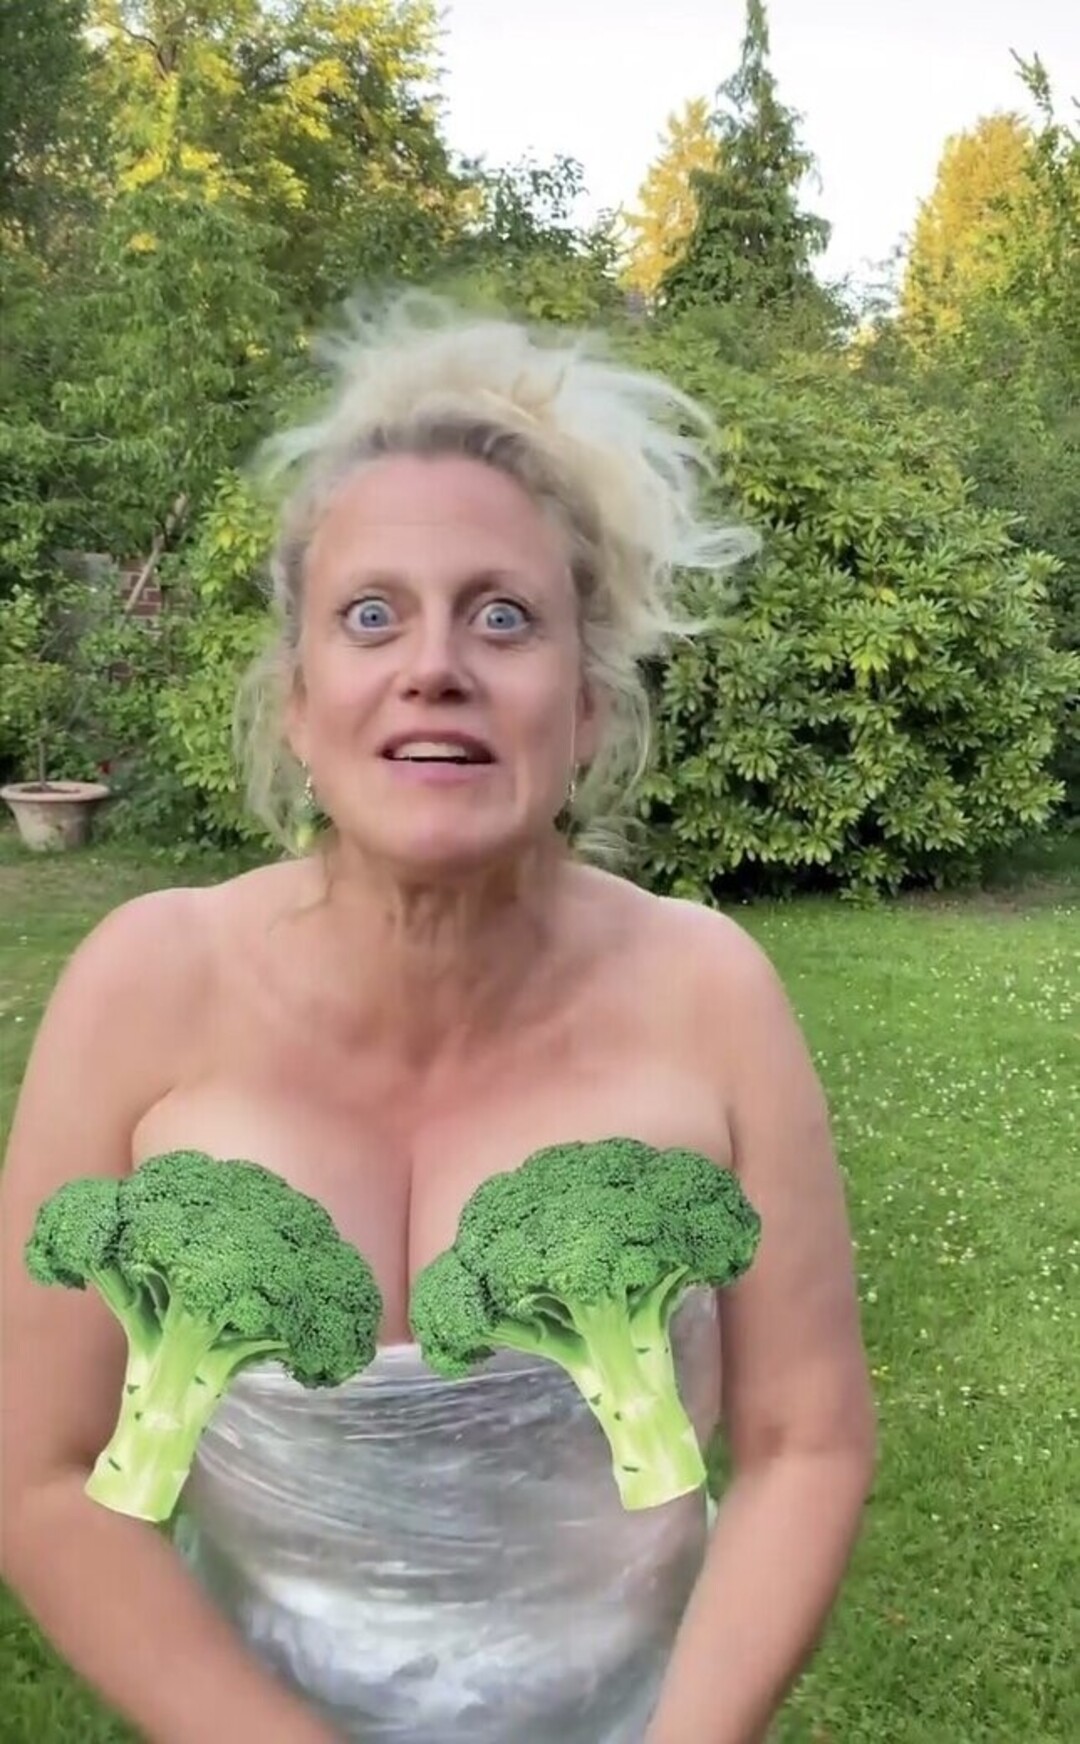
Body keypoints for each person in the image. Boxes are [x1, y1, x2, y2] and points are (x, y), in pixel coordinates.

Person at [0, 295, 876, 1744]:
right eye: (372, 616)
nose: (435, 666)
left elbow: (807, 1443)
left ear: (585, 709)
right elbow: (40, 1474)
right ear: (299, 702)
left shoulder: (711, 993)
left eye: (503, 616)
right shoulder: (142, 986)